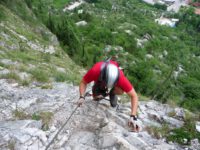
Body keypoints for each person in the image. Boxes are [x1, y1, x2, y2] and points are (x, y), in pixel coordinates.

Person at [77, 59, 141, 132]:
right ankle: (99, 88)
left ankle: (112, 93)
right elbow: (83, 82)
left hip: (110, 78)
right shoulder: (95, 71)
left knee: (120, 91)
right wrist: (81, 96)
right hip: (100, 79)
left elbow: (134, 96)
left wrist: (133, 116)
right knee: (96, 97)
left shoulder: (121, 77)